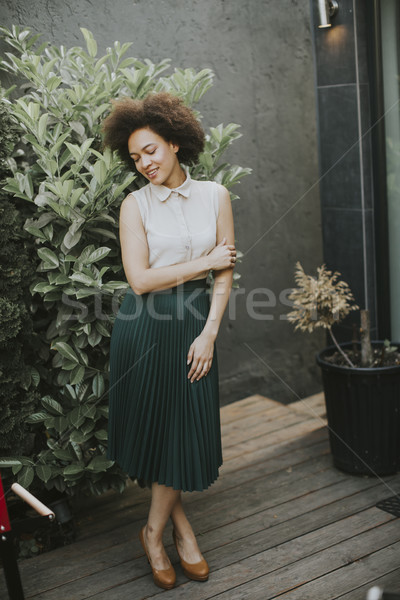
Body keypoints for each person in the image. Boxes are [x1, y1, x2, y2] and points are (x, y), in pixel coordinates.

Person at [102, 92, 236, 590]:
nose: (144, 163)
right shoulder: (133, 206)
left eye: (152, 150)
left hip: (195, 327)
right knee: (164, 431)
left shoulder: (216, 196)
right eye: (136, 157)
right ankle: (176, 533)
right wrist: (207, 261)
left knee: (183, 429)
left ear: (176, 143)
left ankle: (154, 530)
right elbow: (140, 280)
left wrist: (210, 333)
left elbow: (226, 277)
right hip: (146, 327)